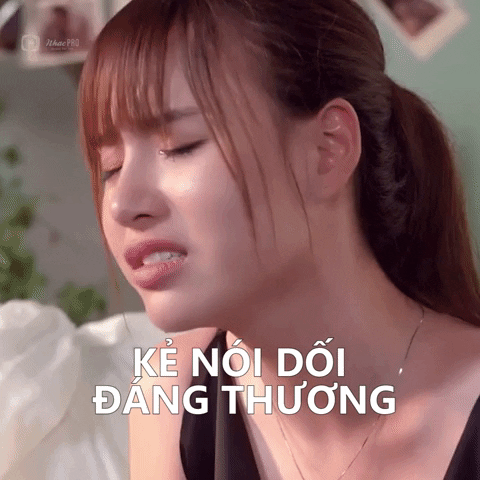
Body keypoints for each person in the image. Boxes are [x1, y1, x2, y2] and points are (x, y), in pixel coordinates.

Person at [78, 0, 480, 479]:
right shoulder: (172, 392)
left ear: (328, 149)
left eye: (180, 146)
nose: (123, 204)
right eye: (111, 167)